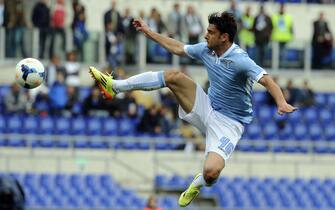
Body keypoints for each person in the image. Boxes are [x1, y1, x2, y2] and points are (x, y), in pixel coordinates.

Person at [89, 11, 296, 207]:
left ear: (224, 37)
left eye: (211, 32)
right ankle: (115, 87)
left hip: (229, 124)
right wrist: (149, 32)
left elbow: (267, 81)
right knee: (174, 77)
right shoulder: (207, 49)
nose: (206, 35)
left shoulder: (240, 60)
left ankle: (199, 183)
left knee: (212, 172)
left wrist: (281, 101)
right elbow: (178, 47)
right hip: (208, 107)